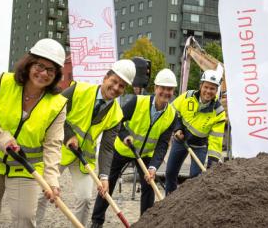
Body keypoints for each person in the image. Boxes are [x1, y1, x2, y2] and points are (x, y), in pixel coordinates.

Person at [0, 38, 68, 228]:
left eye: (51, 70)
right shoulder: (4, 82)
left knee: (25, 220)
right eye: (40, 65)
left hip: (26, 167)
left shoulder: (58, 104)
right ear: (30, 63)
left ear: (56, 75)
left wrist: (52, 179)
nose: (43, 73)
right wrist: (2, 138)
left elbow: (53, 144)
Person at [37, 59, 136, 227]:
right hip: (58, 150)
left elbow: (107, 147)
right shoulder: (78, 90)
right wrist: (68, 134)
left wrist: (104, 176)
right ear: (105, 78)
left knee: (85, 198)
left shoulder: (116, 114)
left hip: (84, 158)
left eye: (122, 86)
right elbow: (53, 110)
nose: (116, 88)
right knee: (42, 193)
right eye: (114, 81)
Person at [90, 69, 179, 228]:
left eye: (169, 89)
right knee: (108, 183)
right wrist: (124, 136)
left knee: (149, 185)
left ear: (173, 91)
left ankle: (145, 222)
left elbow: (163, 144)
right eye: (162, 88)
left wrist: (153, 167)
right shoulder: (137, 101)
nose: (166, 92)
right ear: (156, 87)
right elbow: (117, 121)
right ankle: (97, 221)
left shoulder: (172, 115)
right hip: (122, 149)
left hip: (145, 154)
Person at [165, 69, 227, 194]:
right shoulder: (187, 97)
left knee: (195, 180)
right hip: (180, 141)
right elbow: (171, 112)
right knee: (170, 172)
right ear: (201, 86)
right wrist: (177, 128)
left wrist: (212, 165)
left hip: (200, 146)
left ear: (217, 91)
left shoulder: (218, 112)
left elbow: (216, 140)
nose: (208, 91)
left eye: (213, 89)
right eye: (206, 87)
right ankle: (169, 202)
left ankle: (188, 206)